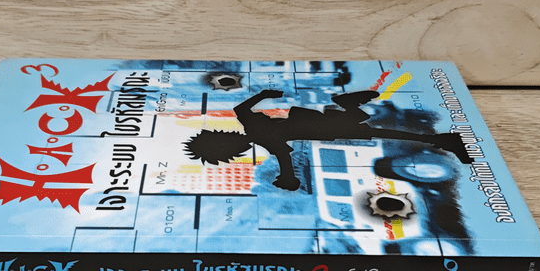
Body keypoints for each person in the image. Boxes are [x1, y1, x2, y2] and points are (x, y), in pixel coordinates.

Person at [183, 89, 473, 191]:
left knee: (370, 130)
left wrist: (288, 178)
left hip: (316, 127)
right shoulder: (252, 128)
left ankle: (444, 142)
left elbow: (284, 157)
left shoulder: (260, 136)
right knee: (369, 129)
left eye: (225, 154)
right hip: (312, 124)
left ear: (227, 148)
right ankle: (443, 142)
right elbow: (241, 109)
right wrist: (264, 95)